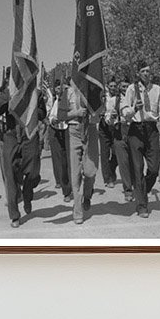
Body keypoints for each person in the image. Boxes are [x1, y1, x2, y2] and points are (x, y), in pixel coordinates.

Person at [0, 75, 47, 228]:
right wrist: (11, 99)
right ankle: (14, 215)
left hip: (30, 133)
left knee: (33, 172)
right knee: (10, 175)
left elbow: (43, 114)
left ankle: (28, 194)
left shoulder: (36, 92)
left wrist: (33, 107)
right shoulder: (6, 92)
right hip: (10, 135)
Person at [122, 61, 160, 218]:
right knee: (137, 169)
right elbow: (124, 110)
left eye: (148, 71)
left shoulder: (156, 89)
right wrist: (134, 108)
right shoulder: (131, 89)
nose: (146, 73)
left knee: (155, 167)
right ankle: (142, 205)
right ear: (138, 73)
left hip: (151, 130)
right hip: (136, 130)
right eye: (143, 71)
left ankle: (144, 189)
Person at [61, 79, 97, 225]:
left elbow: (102, 110)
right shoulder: (67, 92)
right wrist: (75, 112)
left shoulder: (94, 90)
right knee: (75, 174)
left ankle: (87, 195)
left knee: (90, 172)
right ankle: (77, 211)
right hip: (73, 131)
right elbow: (60, 115)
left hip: (90, 130)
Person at [103, 77, 134, 202]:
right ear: (119, 87)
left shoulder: (135, 99)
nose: (125, 89)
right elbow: (107, 119)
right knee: (124, 163)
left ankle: (137, 185)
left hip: (134, 132)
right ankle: (128, 190)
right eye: (123, 86)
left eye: (127, 86)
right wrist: (112, 117)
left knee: (135, 163)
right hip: (119, 132)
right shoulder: (113, 101)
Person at [45, 80, 71, 200]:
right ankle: (63, 186)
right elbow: (51, 115)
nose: (61, 91)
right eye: (58, 88)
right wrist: (53, 120)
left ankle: (70, 186)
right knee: (58, 158)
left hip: (68, 130)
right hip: (55, 130)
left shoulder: (71, 99)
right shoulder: (55, 100)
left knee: (68, 161)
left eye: (64, 88)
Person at [97, 76, 120, 188]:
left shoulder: (119, 98)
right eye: (111, 86)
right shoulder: (103, 97)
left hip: (115, 128)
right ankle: (108, 179)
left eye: (115, 86)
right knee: (105, 154)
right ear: (107, 87)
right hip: (104, 127)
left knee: (117, 153)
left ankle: (111, 168)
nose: (113, 88)